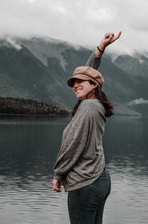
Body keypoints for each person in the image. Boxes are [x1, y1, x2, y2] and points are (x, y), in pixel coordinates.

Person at [52, 31, 121, 224]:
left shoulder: (88, 107)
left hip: (85, 183)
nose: (75, 85)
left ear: (93, 86)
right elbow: (90, 73)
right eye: (73, 82)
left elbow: (74, 143)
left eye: (79, 82)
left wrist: (59, 173)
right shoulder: (94, 104)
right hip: (98, 177)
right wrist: (100, 49)